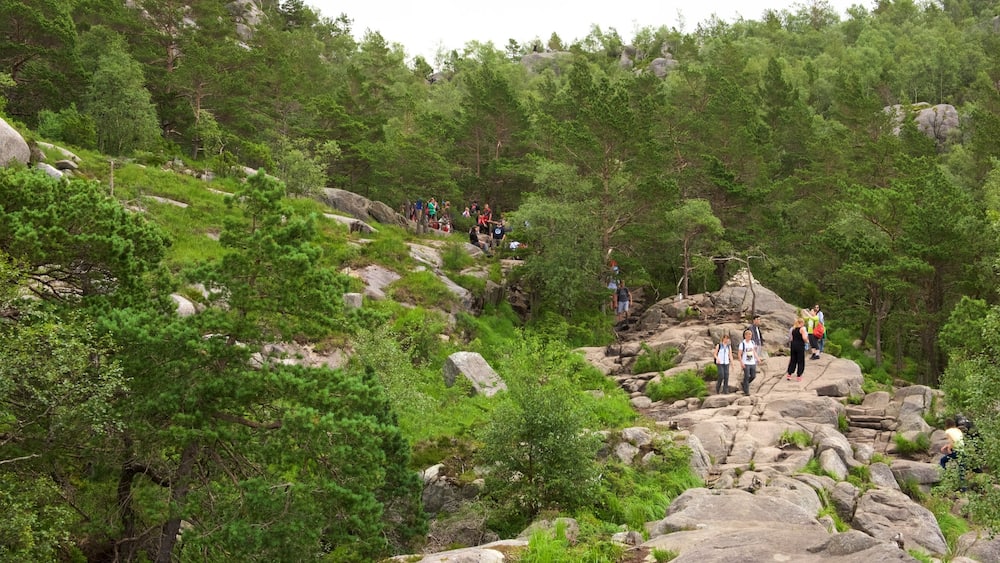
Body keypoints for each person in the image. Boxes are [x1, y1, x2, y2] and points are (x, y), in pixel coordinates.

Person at [739, 329, 758, 395]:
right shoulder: (742, 344)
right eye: (748, 335)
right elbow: (739, 353)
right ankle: (746, 391)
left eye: (750, 335)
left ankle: (744, 384)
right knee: (746, 376)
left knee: (753, 376)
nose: (749, 336)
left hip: (752, 362)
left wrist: (757, 358)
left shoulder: (752, 342)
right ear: (745, 336)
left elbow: (754, 351)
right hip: (745, 362)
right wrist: (741, 362)